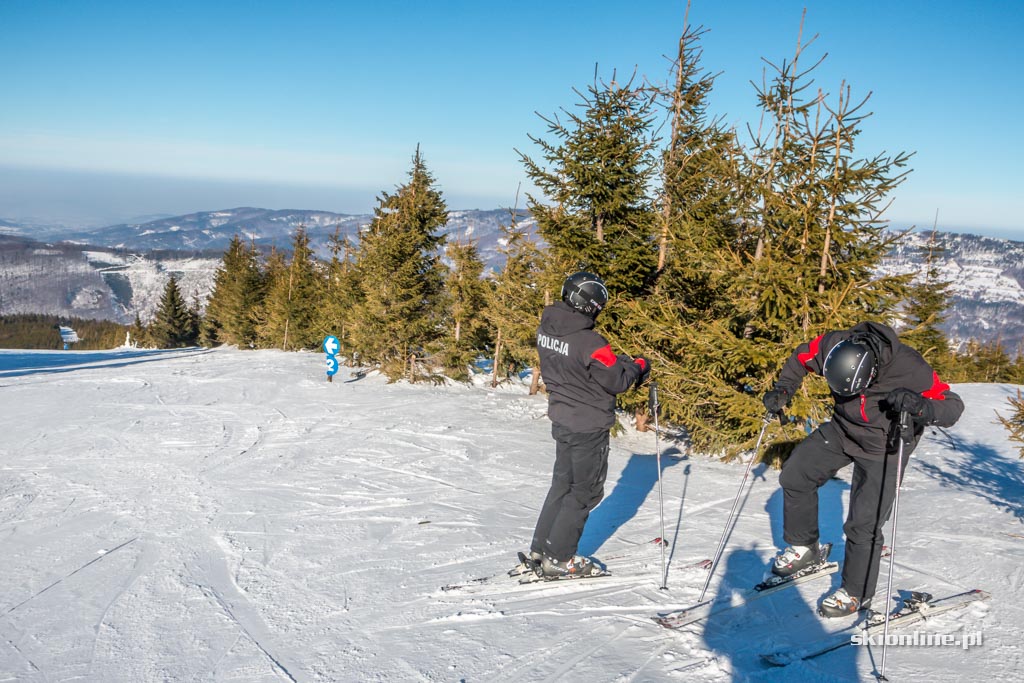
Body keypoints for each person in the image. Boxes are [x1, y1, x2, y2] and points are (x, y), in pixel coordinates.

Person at [762, 321, 964, 617]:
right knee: (796, 474)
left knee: (864, 523)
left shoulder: (909, 367)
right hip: (843, 430)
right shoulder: (833, 345)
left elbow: (952, 407)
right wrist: (783, 389)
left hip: (885, 445)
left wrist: (920, 406)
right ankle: (804, 547)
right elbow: (802, 357)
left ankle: (856, 592)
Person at [530, 271, 650, 578]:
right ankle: (559, 557)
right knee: (585, 491)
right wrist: (638, 366)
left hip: (562, 417)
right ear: (590, 306)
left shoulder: (548, 327)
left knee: (562, 483)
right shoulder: (591, 341)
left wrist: (616, 361)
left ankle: (541, 547)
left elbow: (587, 367)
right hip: (588, 424)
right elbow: (618, 381)